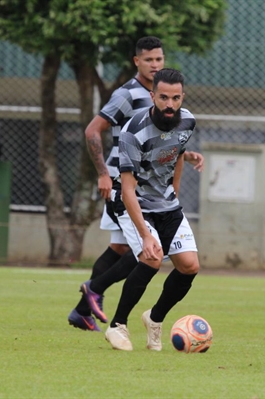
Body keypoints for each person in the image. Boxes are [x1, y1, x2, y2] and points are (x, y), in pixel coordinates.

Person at [67, 37, 203, 332]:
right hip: (125, 183)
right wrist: (103, 172)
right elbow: (94, 130)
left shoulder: (174, 103)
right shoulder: (127, 94)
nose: (155, 65)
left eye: (159, 59)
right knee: (143, 252)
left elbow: (166, 144)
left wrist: (185, 156)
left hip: (156, 189)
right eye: (149, 60)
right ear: (136, 62)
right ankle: (101, 303)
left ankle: (85, 304)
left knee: (121, 248)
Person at [95, 68, 200, 351]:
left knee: (190, 266)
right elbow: (128, 188)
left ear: (182, 97)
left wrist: (174, 193)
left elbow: (176, 155)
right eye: (163, 97)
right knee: (152, 258)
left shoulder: (187, 121)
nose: (170, 104)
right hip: (133, 201)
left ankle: (154, 319)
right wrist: (145, 235)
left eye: (175, 98)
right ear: (153, 96)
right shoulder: (133, 132)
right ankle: (117, 325)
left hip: (166, 202)